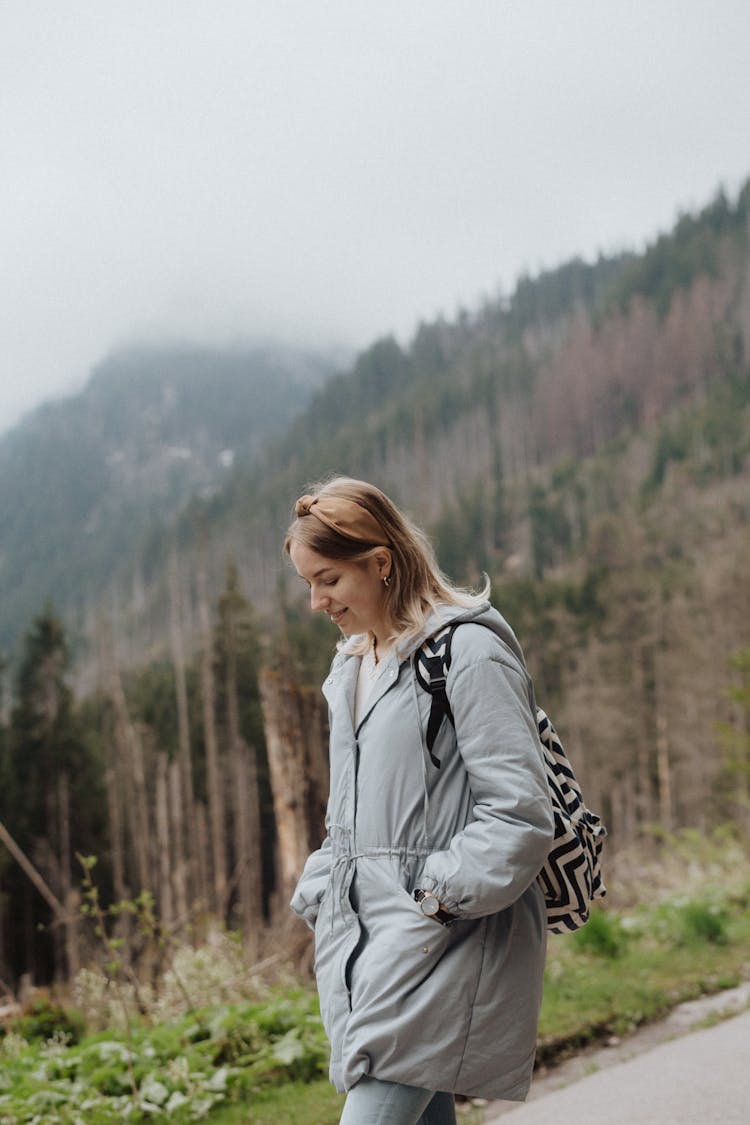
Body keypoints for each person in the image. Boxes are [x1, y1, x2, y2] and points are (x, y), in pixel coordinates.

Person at [285, 477, 555, 1125]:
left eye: (328, 580)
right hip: (366, 941)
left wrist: (432, 902)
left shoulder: (466, 650)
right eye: (307, 584)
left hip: (445, 939)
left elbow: (519, 812)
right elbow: (347, 816)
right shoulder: (350, 666)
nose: (316, 602)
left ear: (379, 564)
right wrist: (321, 891)